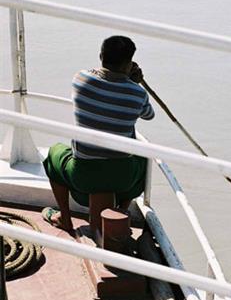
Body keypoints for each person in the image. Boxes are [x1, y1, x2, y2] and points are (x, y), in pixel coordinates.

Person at [42, 35, 154, 232]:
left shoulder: (81, 80)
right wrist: (134, 81)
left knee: (54, 154)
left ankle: (65, 218)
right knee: (144, 158)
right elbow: (149, 115)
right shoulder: (137, 94)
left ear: (101, 55)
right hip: (123, 177)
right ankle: (121, 211)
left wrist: (125, 75)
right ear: (129, 63)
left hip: (83, 175)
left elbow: (97, 74)